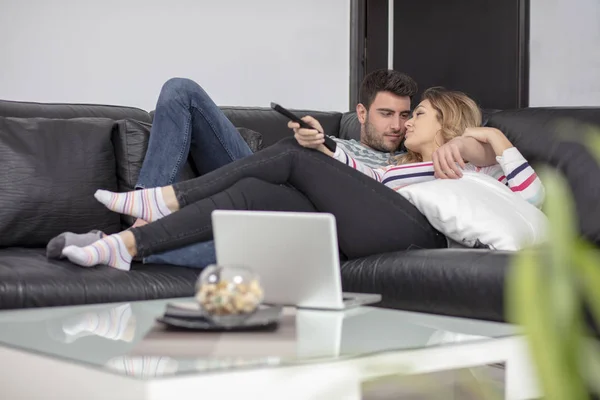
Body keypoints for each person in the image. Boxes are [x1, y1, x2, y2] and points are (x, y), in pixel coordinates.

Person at [58, 87, 544, 271]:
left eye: (417, 113)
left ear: (449, 123)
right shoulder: (391, 166)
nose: (406, 124)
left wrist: (491, 134)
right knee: (256, 190)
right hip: (370, 217)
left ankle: (163, 199)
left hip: (421, 234)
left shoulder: (468, 165)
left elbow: (533, 194)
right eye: (398, 114)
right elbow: (349, 178)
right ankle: (124, 247)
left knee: (293, 157)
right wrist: (326, 148)